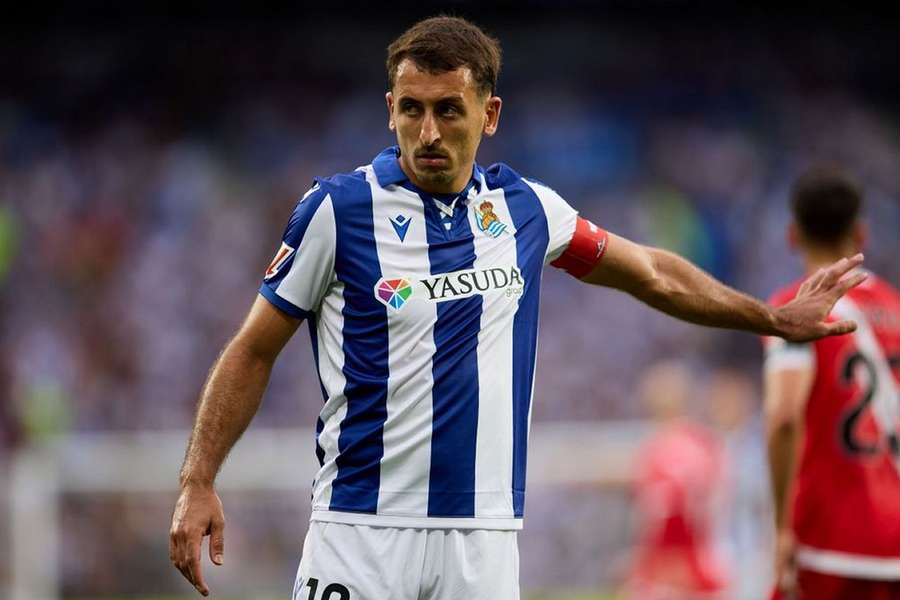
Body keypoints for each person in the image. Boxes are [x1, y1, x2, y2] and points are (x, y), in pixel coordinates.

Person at [168, 16, 868, 599]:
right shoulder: (337, 210)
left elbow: (653, 274)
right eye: (411, 109)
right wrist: (198, 480)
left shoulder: (527, 210)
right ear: (390, 110)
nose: (429, 132)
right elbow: (254, 347)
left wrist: (770, 318)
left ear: (489, 114)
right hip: (360, 530)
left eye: (449, 109)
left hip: (485, 541)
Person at [763, 167, 900, 599]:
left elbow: (784, 416)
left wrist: (783, 526)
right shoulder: (897, 310)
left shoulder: (792, 308)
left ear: (792, 235)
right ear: (861, 234)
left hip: (827, 542)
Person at [624, 361, 731, 600]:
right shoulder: (661, 446)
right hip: (681, 559)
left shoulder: (673, 447)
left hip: (682, 559)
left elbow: (683, 512)